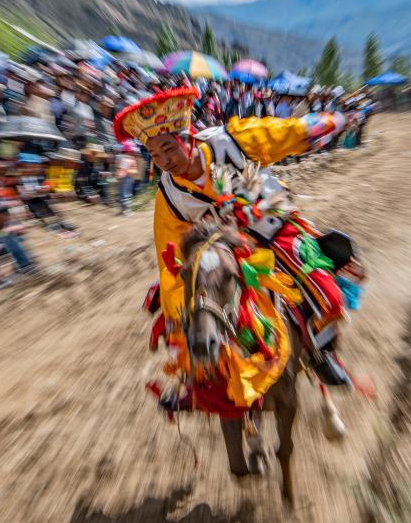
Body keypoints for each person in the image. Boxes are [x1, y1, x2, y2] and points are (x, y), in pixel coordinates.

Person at [114, 86, 354, 387]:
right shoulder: (169, 195)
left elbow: (283, 133)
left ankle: (323, 352)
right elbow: (170, 253)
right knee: (193, 320)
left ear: (188, 138)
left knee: (326, 294)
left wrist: (331, 121)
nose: (164, 160)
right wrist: (179, 306)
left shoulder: (231, 140)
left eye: (169, 148)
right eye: (154, 154)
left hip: (276, 231)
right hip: (226, 253)